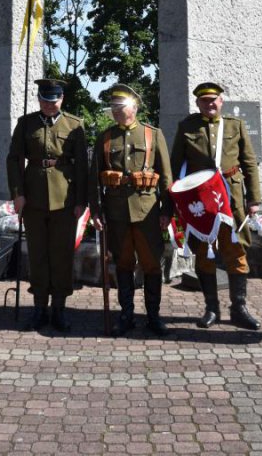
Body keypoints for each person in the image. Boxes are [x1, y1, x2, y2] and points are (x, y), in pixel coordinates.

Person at [170, 81, 261, 330]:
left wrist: (253, 199)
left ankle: (239, 308)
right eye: (204, 100)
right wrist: (174, 203)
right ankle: (212, 308)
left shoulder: (235, 125)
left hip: (230, 200)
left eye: (214, 100)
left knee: (236, 251)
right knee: (203, 254)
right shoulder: (187, 126)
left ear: (221, 101)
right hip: (201, 202)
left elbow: (249, 163)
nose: (209, 104)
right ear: (198, 103)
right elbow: (175, 166)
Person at [90, 84, 172, 337]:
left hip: (147, 213)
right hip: (116, 214)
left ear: (134, 108)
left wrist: (167, 211)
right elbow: (94, 178)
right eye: (113, 107)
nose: (115, 111)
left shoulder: (152, 135)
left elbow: (166, 177)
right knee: (123, 264)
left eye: (119, 106)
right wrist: (95, 210)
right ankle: (126, 314)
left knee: (151, 265)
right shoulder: (105, 137)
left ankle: (153, 316)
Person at [6, 78, 88, 332]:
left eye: (54, 100)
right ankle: (39, 307)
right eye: (45, 100)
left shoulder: (75, 124)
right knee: (38, 254)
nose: (50, 105)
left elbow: (83, 166)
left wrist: (81, 201)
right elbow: (14, 160)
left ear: (62, 99)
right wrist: (18, 194)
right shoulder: (26, 123)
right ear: (39, 99)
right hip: (33, 197)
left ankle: (59, 308)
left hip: (65, 199)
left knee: (62, 255)